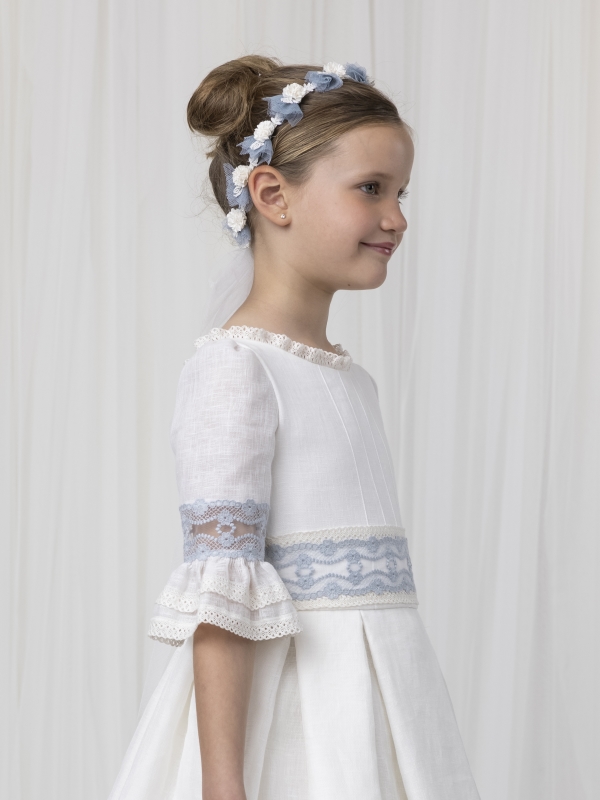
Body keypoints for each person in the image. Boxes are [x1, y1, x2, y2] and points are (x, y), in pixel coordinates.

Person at [108, 56, 480, 800]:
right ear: (273, 194)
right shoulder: (236, 369)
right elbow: (222, 595)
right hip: (296, 724)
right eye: (370, 189)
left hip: (384, 708)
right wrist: (225, 785)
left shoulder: (350, 378)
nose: (397, 218)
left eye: (401, 193)